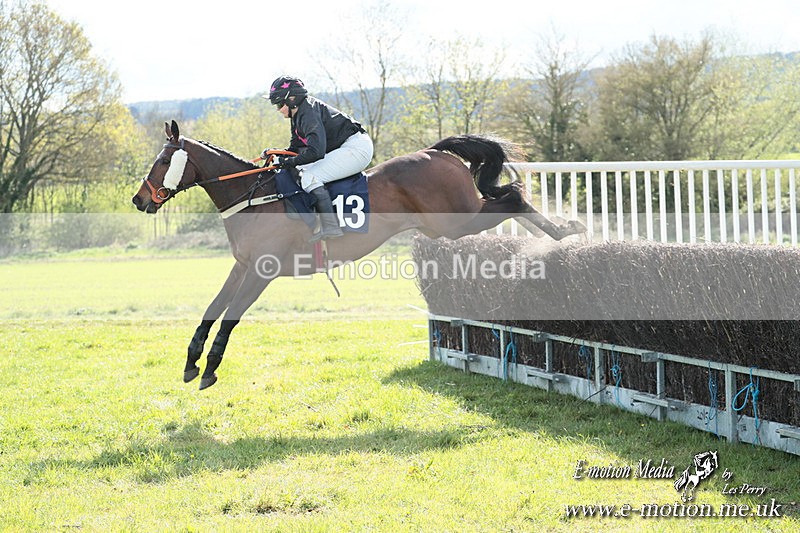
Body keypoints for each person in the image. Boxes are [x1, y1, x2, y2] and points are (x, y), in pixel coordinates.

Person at [262, 76, 373, 242]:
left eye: (279, 104)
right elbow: (295, 149)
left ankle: (331, 227)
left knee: (310, 176)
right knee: (302, 170)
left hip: (356, 148)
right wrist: (278, 154)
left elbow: (316, 152)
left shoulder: (308, 114)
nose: (278, 109)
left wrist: (288, 162)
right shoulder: (298, 114)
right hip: (346, 147)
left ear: (292, 100)